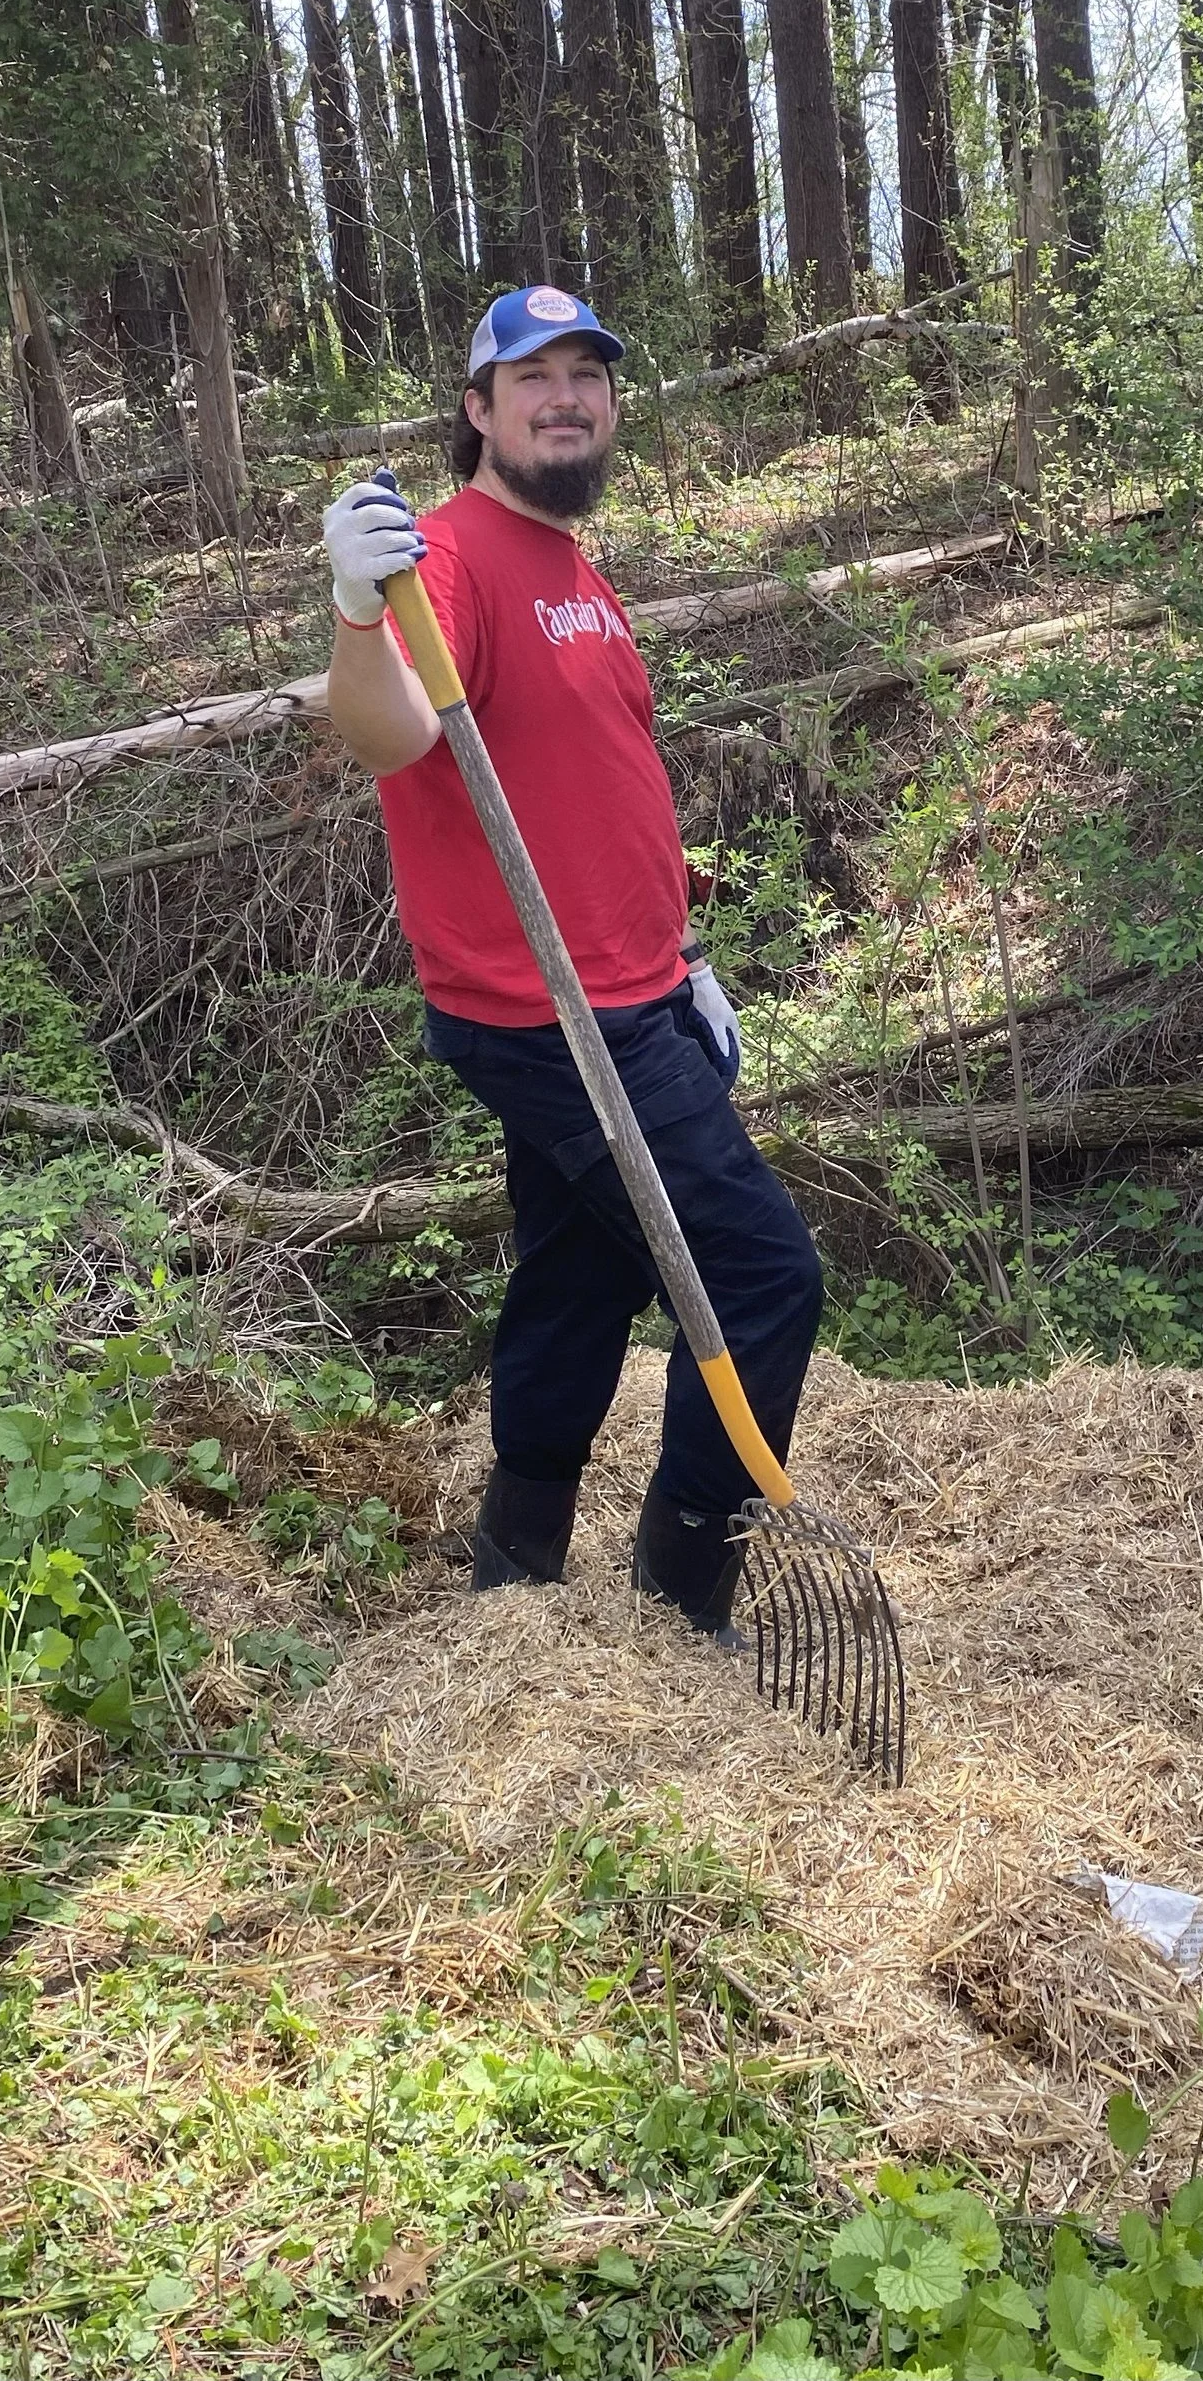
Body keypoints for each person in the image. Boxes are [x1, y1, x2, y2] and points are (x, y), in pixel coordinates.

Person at [319, 284, 825, 1639]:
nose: (566, 397)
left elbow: (598, 791)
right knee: (768, 1275)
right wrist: (360, 612)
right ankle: (682, 1593)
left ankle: (520, 1553)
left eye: (588, 375)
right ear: (476, 411)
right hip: (550, 1013)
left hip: (631, 990)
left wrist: (682, 954)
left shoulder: (577, 572)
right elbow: (389, 741)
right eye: (529, 376)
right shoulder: (450, 558)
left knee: (581, 1273)